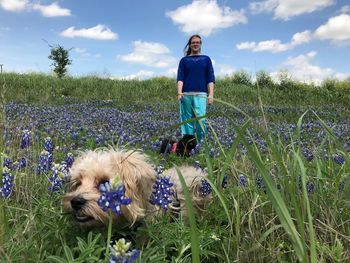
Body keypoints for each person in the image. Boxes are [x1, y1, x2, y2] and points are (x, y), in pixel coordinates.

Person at [177, 34, 215, 142]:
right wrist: (179, 93)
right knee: (186, 120)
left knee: (201, 120)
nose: (195, 44)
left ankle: (200, 144)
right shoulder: (184, 60)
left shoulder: (206, 59)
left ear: (200, 44)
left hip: (201, 94)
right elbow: (180, 77)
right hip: (186, 94)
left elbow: (210, 78)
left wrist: (211, 94)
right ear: (190, 44)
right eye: (193, 42)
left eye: (197, 42)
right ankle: (187, 145)